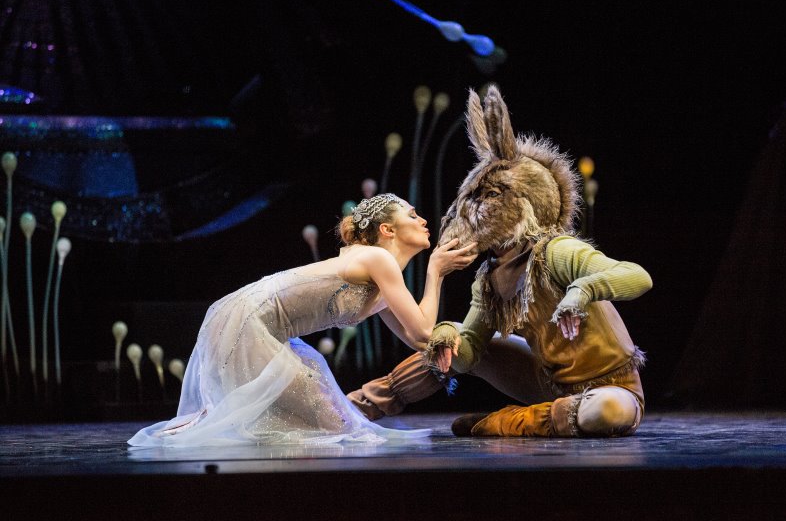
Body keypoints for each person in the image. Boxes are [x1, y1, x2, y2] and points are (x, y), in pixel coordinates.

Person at [347, 86, 652, 438]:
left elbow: (637, 276)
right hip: (551, 384)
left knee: (607, 410)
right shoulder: (489, 278)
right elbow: (468, 352)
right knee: (452, 342)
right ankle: (356, 407)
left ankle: (505, 422)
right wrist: (447, 335)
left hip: (611, 387)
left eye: (489, 196)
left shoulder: (557, 251)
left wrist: (580, 292)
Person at [128, 193, 476, 447]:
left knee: (324, 425)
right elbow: (423, 329)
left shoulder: (380, 274)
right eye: (413, 215)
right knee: (337, 427)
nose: (423, 220)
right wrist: (435, 271)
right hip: (248, 321)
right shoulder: (377, 259)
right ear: (387, 229)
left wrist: (439, 299)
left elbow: (419, 339)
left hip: (249, 321)